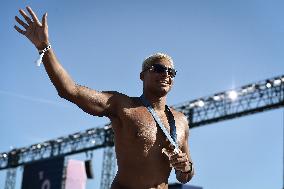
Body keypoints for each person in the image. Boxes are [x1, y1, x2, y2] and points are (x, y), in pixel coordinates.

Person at [14, 6, 194, 189]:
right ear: (142, 75)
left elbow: (185, 176)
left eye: (171, 72)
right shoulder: (122, 105)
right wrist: (45, 47)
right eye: (159, 69)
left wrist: (186, 167)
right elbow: (70, 90)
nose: (166, 75)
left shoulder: (180, 121)